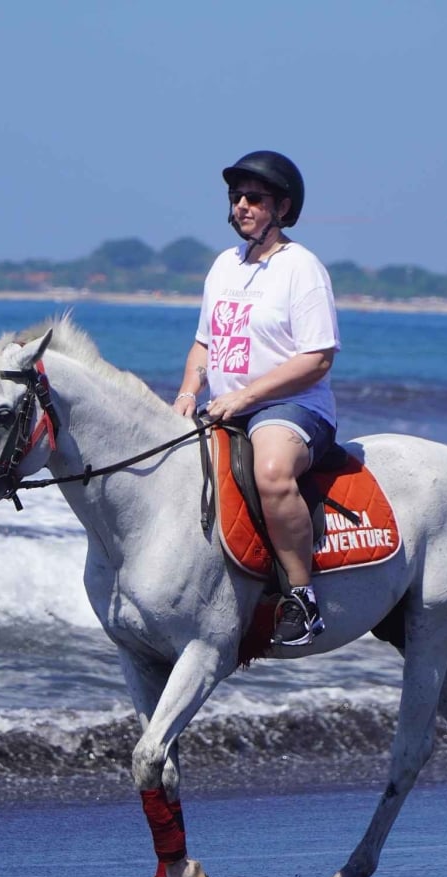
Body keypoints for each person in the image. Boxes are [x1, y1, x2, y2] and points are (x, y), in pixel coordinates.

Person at [172, 150, 341, 646]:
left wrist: (245, 397)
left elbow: (318, 359)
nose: (242, 205)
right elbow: (204, 343)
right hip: (228, 405)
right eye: (236, 197)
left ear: (282, 208)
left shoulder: (302, 269)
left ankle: (302, 598)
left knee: (270, 472)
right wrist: (188, 391)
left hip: (293, 409)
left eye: (254, 198)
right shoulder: (224, 266)